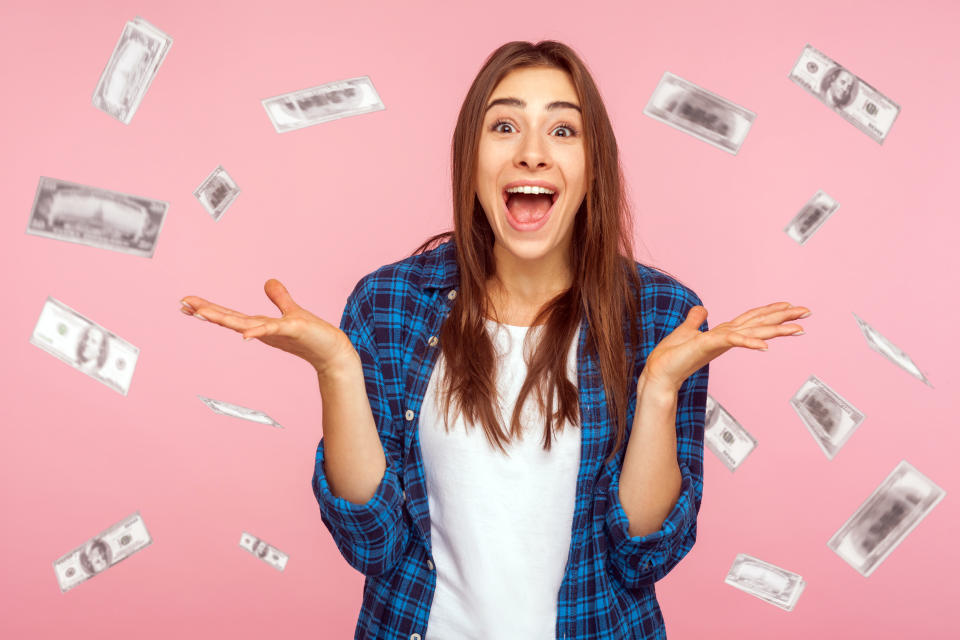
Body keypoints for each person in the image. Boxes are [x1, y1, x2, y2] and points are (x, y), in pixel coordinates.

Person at [179, 40, 810, 640]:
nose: (532, 153)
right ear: (469, 160)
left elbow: (644, 557)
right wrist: (338, 369)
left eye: (563, 130)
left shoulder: (662, 315)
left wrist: (660, 389)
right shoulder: (390, 304)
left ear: (594, 169)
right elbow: (372, 546)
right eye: (504, 126)